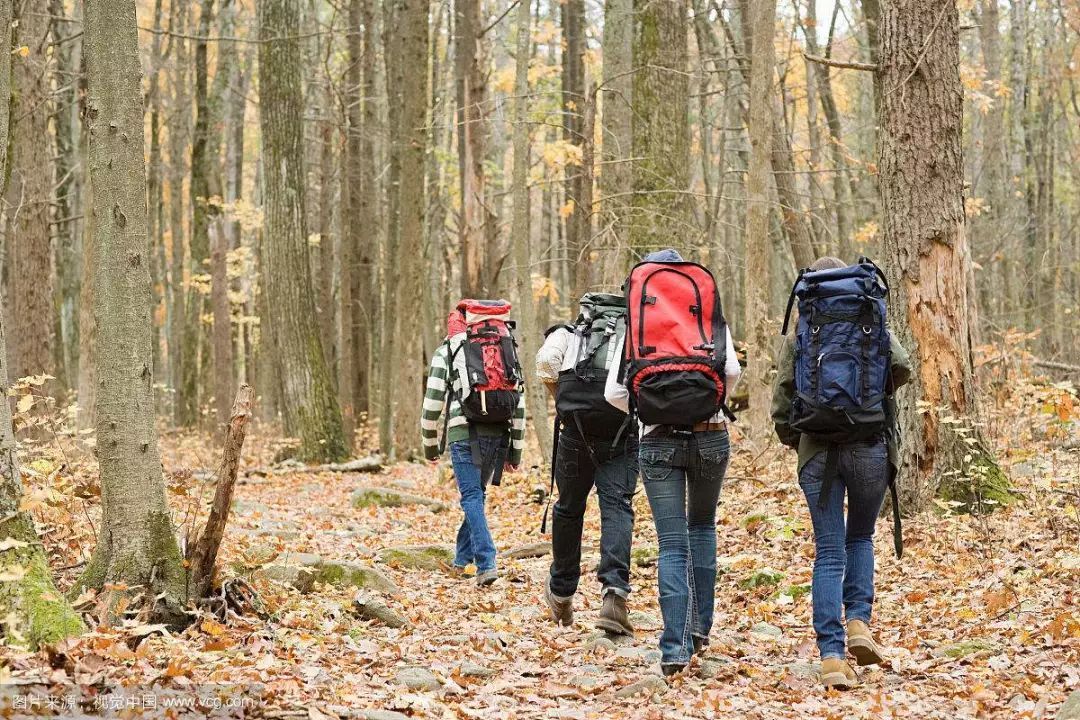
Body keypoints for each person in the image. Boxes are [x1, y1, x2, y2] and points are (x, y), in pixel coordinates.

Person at [771, 256, 912, 690]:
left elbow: (781, 399)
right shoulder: (869, 317)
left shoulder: (803, 331)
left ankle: (832, 656)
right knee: (861, 537)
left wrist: (799, 439)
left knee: (829, 551)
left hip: (818, 453)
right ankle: (858, 622)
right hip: (869, 446)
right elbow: (902, 366)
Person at [605, 249, 741, 676]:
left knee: (672, 543)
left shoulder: (635, 323)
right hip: (711, 435)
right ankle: (700, 632)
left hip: (657, 439)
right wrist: (707, 399)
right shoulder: (706, 315)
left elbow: (614, 391)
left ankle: (674, 650)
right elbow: (731, 370)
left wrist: (650, 407)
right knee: (702, 527)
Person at [537, 293, 638, 635]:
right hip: (622, 437)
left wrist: (564, 402)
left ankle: (562, 592)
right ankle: (614, 595)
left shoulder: (567, 334)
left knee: (568, 509)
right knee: (617, 508)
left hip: (575, 436)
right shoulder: (633, 335)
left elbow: (545, 364)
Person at [421, 300, 526, 587]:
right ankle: (461, 559)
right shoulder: (506, 348)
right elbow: (519, 404)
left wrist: (430, 446)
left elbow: (432, 405)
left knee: (471, 497)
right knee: (476, 496)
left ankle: (486, 561)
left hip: (463, 433)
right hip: (497, 432)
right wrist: (515, 451)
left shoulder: (449, 350)